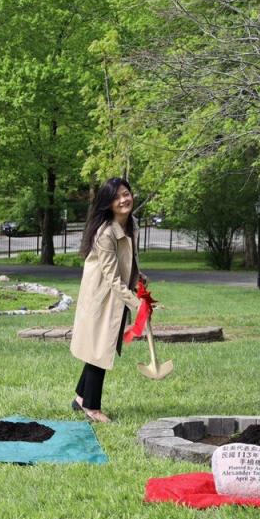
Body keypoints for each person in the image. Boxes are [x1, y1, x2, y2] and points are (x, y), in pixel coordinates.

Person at [69, 177, 143, 422]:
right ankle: (92, 407)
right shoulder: (105, 233)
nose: (124, 200)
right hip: (101, 297)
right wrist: (137, 304)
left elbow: (128, 260)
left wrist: (139, 277)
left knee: (98, 348)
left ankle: (80, 398)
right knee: (100, 349)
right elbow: (112, 277)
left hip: (116, 295)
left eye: (126, 193)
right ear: (108, 204)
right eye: (117, 197)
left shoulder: (130, 224)